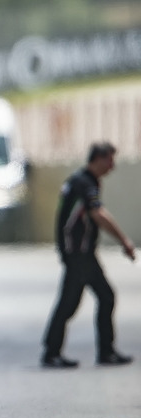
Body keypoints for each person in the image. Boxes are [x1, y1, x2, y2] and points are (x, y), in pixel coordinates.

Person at [41, 142, 136, 368]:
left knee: (103, 297)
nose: (112, 167)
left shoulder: (81, 181)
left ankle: (104, 351)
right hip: (78, 252)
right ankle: (53, 352)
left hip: (80, 252)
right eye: (110, 161)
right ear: (99, 159)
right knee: (71, 302)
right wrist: (124, 241)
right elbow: (98, 214)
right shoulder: (84, 183)